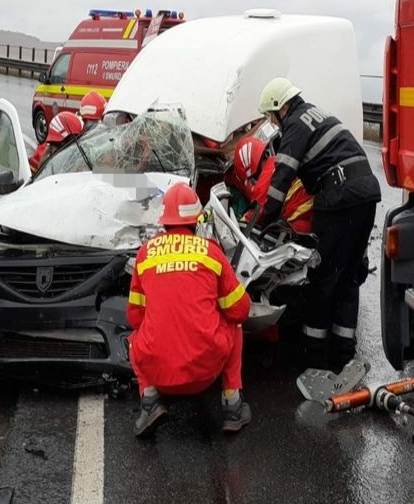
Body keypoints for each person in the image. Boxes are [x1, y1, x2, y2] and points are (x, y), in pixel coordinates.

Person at [255, 77, 381, 369]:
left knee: (322, 276)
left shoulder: (295, 125)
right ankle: (344, 356)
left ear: (281, 108)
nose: (272, 123)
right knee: (348, 275)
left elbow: (281, 180)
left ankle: (314, 358)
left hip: (338, 197)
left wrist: (263, 223)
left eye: (271, 116)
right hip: (366, 194)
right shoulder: (316, 114)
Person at [127, 182, 252, 437]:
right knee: (235, 326)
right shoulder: (211, 253)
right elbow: (240, 311)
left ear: (164, 221)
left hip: (159, 373)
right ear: (197, 221)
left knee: (134, 339)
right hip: (205, 373)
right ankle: (232, 405)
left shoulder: (145, 255)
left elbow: (134, 318)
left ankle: (150, 401)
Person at [232, 136, 314, 233]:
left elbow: (255, 215)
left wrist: (238, 222)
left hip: (307, 216)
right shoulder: (277, 161)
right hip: (314, 208)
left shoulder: (263, 180)